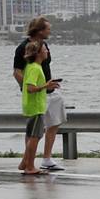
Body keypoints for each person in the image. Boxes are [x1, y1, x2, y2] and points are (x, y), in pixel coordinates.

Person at [13, 16, 65, 172]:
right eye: (48, 28)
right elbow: (17, 72)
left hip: (49, 89)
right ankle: (28, 162)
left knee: (55, 122)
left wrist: (47, 84)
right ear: (40, 30)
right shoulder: (23, 47)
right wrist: (30, 89)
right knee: (34, 131)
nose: (50, 31)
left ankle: (46, 159)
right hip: (38, 93)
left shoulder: (44, 45)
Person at [15, 39, 59, 176]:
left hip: (35, 106)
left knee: (32, 135)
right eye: (45, 49)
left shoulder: (33, 66)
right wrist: (46, 86)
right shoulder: (34, 68)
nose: (47, 51)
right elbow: (30, 88)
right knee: (34, 137)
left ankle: (24, 163)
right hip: (35, 108)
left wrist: (47, 85)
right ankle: (30, 167)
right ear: (39, 53)